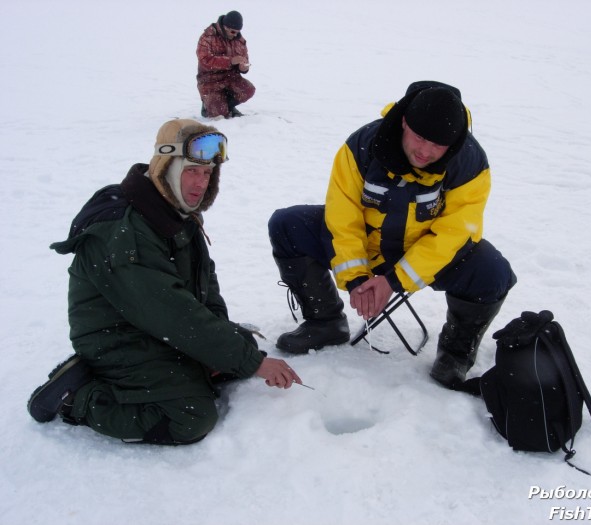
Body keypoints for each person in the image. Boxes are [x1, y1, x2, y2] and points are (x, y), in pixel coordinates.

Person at [28, 118, 302, 445]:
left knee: (237, 348)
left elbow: (203, 288)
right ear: (167, 166)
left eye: (207, 173)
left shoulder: (173, 211)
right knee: (190, 416)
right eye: (191, 170)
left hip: (153, 326)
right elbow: (172, 312)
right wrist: (251, 363)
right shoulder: (124, 230)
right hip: (117, 337)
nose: (200, 183)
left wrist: (229, 348)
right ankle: (79, 397)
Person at [268, 81, 517, 390]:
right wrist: (357, 278)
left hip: (421, 256)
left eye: (438, 144)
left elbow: (453, 235)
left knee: (493, 271)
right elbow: (343, 215)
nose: (425, 151)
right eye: (420, 137)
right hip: (369, 246)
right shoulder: (361, 145)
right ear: (404, 122)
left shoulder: (470, 163)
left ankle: (456, 353)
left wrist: (395, 281)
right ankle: (325, 322)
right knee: (287, 224)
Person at [196, 10, 255, 118]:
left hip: (231, 78)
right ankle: (208, 106)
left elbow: (244, 60)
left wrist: (243, 68)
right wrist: (230, 61)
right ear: (225, 27)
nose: (235, 34)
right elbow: (205, 60)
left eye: (238, 32)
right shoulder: (208, 37)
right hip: (209, 81)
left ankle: (226, 106)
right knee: (219, 115)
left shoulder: (240, 41)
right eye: (233, 32)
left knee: (248, 90)